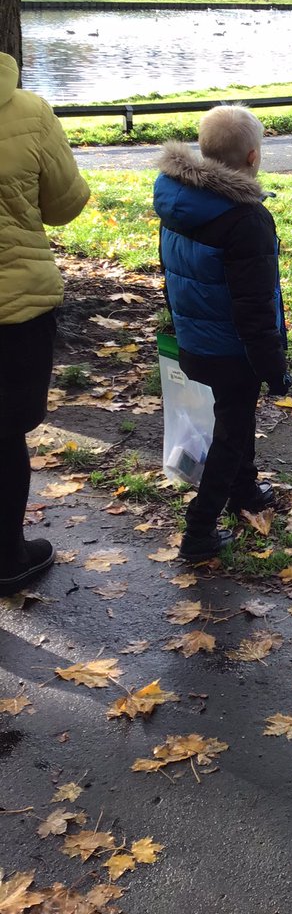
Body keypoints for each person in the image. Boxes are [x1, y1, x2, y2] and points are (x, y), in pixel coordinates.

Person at [153, 105, 291, 564]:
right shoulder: (245, 219)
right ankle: (200, 529)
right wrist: (274, 367)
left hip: (196, 336)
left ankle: (245, 491)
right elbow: (255, 307)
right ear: (253, 156)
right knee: (232, 433)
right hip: (233, 349)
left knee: (236, 418)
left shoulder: (178, 201)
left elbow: (172, 273)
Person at [0, 53, 90, 597]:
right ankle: (7, 556)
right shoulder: (30, 112)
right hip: (16, 306)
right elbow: (65, 205)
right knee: (5, 432)